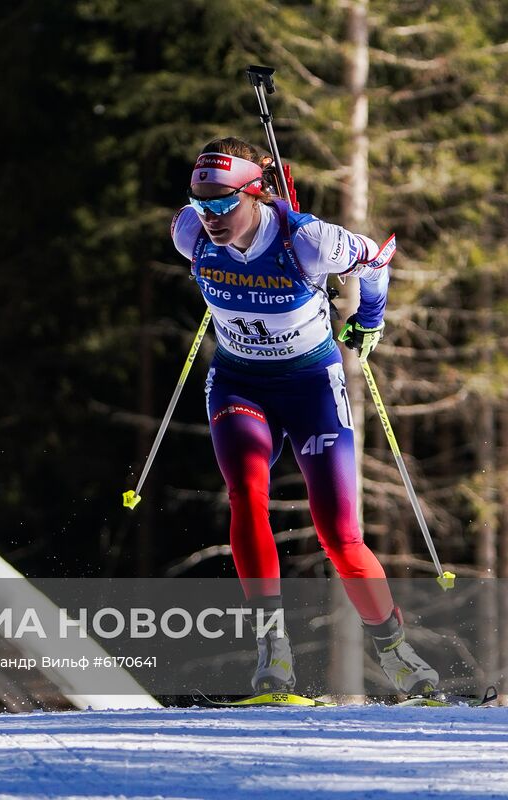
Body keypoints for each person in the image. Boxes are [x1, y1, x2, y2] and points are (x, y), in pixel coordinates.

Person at [171, 136, 438, 696]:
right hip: (240, 382)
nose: (211, 217)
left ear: (255, 192)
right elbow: (203, 238)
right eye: (202, 203)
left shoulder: (307, 239)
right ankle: (273, 651)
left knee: (339, 534)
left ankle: (395, 651)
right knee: (246, 493)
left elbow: (378, 257)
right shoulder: (189, 232)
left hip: (311, 386)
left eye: (223, 203)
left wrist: (368, 317)